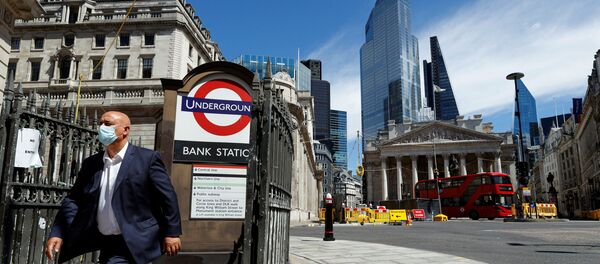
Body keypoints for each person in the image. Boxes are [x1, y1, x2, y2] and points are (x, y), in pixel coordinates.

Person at [45, 111, 182, 264]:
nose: (102, 127)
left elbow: (167, 197)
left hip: (138, 238)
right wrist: (59, 232)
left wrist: (172, 233)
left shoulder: (147, 159)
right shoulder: (92, 163)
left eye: (108, 124)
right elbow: (74, 200)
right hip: (106, 241)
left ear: (125, 130)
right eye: (100, 124)